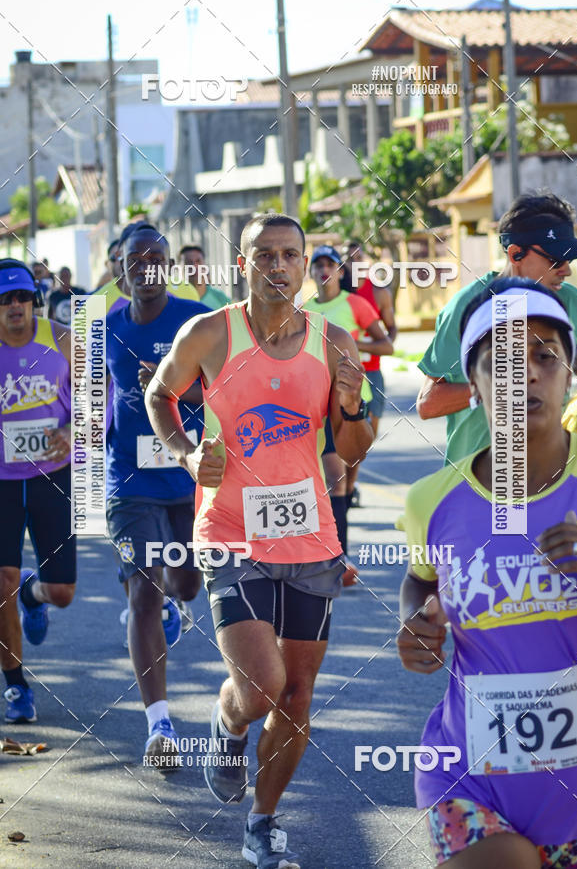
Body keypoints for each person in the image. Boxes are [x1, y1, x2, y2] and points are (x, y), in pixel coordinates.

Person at [145, 213, 373, 868]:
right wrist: (188, 456)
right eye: (264, 254)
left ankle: (263, 823)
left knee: (298, 699)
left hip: (309, 535)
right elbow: (163, 395)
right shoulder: (211, 332)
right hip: (231, 532)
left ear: (308, 266)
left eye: (290, 255)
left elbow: (351, 449)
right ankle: (230, 719)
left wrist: (353, 408)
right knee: (263, 688)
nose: (278, 265)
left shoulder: (332, 343)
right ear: (241, 264)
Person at [397, 276, 577, 868]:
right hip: (470, 775)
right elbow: (422, 582)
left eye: (544, 356)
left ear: (568, 375)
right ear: (477, 388)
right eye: (503, 361)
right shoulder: (430, 502)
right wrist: (417, 621)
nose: (526, 373)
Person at [104, 226, 207, 765]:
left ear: (169, 267)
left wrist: (172, 388)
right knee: (143, 593)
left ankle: (175, 601)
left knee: (186, 586)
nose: (146, 267)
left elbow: (228, 387)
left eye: (156, 259)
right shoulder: (103, 329)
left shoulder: (196, 321)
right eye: (134, 259)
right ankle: (159, 726)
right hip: (130, 483)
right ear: (118, 269)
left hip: (189, 476)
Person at [417, 192, 577, 465]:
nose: (566, 270)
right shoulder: (468, 307)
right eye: (555, 260)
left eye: (569, 259)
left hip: (549, 480)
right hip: (477, 486)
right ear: (516, 253)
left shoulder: (573, 303)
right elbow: (428, 403)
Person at [0, 259, 75, 723]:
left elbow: (98, 393)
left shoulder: (62, 338)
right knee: (1, 582)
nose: (15, 307)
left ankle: (35, 596)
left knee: (64, 591)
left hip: (54, 475)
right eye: (5, 299)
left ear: (35, 300)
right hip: (2, 482)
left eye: (23, 297)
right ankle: (15, 685)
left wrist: (73, 428)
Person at [304, 245, 393, 579]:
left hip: (350, 400)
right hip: (313, 403)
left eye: (330, 264)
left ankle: (338, 558)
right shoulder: (303, 309)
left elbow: (386, 345)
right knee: (328, 480)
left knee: (340, 477)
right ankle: (326, 556)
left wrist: (348, 344)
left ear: (341, 272)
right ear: (310, 272)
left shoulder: (355, 304)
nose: (324, 270)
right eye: (318, 265)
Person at [344, 241, 397, 506]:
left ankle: (349, 483)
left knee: (367, 435)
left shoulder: (378, 292)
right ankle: (344, 489)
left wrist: (366, 343)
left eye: (357, 258)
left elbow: (391, 330)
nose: (353, 263)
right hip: (340, 375)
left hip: (371, 371)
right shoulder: (335, 293)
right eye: (347, 259)